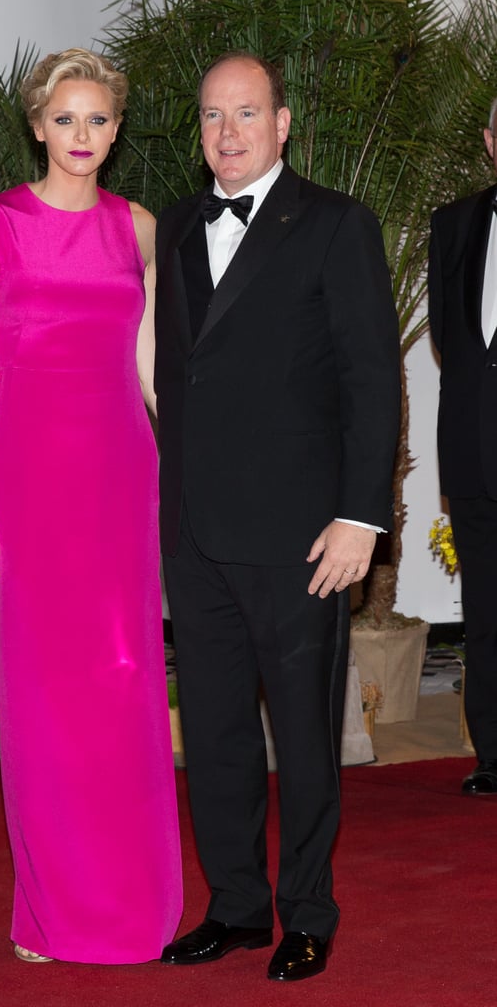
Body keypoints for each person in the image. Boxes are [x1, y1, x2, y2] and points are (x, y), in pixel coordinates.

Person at [154, 51, 401, 981]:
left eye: (245, 113)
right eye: (212, 115)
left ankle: (307, 910)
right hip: (193, 529)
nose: (226, 133)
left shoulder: (336, 224)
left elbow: (372, 379)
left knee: (301, 735)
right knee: (212, 730)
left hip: (303, 536)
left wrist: (359, 518)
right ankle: (236, 907)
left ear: (282, 122)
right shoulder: (176, 224)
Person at [0, 47, 182, 964]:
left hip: (122, 475)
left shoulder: (140, 229)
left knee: (124, 682)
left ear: (115, 131)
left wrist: (205, 463)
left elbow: (155, 372)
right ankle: (48, 912)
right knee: (46, 695)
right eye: (65, 119)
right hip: (34, 478)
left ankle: (136, 905)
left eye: (98, 120)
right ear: (36, 125)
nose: (82, 136)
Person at [428, 98, 497, 797]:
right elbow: (450, 336)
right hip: (472, 453)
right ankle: (492, 755)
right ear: (488, 141)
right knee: (483, 613)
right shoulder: (451, 224)